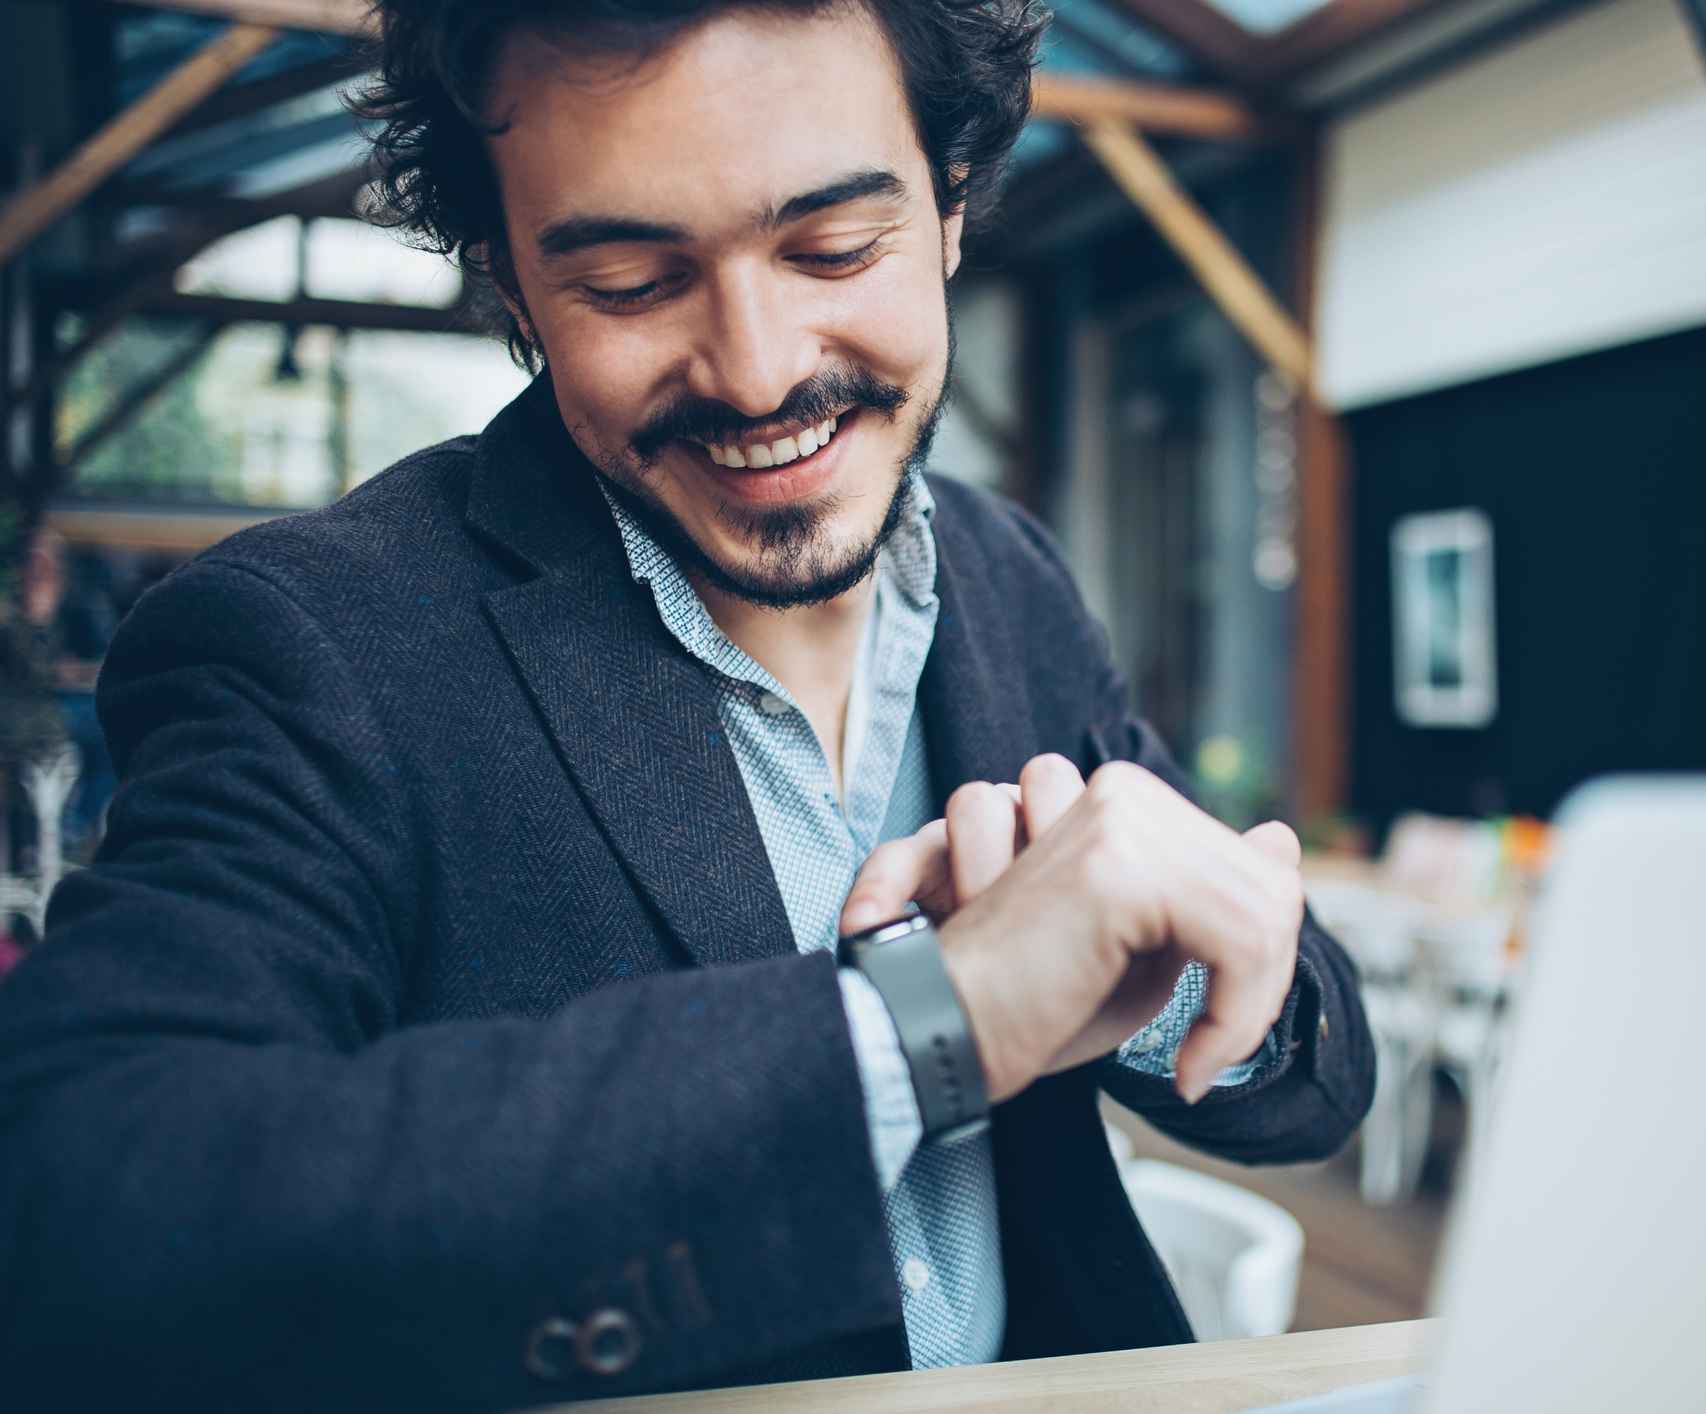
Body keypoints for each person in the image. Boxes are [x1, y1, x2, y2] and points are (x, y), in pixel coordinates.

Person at [0, 2, 1374, 1409]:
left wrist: (1142, 977)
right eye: (630, 283)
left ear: (951, 206)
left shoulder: (1005, 573)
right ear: (512, 290)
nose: (761, 369)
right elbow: (82, 1215)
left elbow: (1315, 1074)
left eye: (834, 248)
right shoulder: (313, 640)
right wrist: (931, 1017)